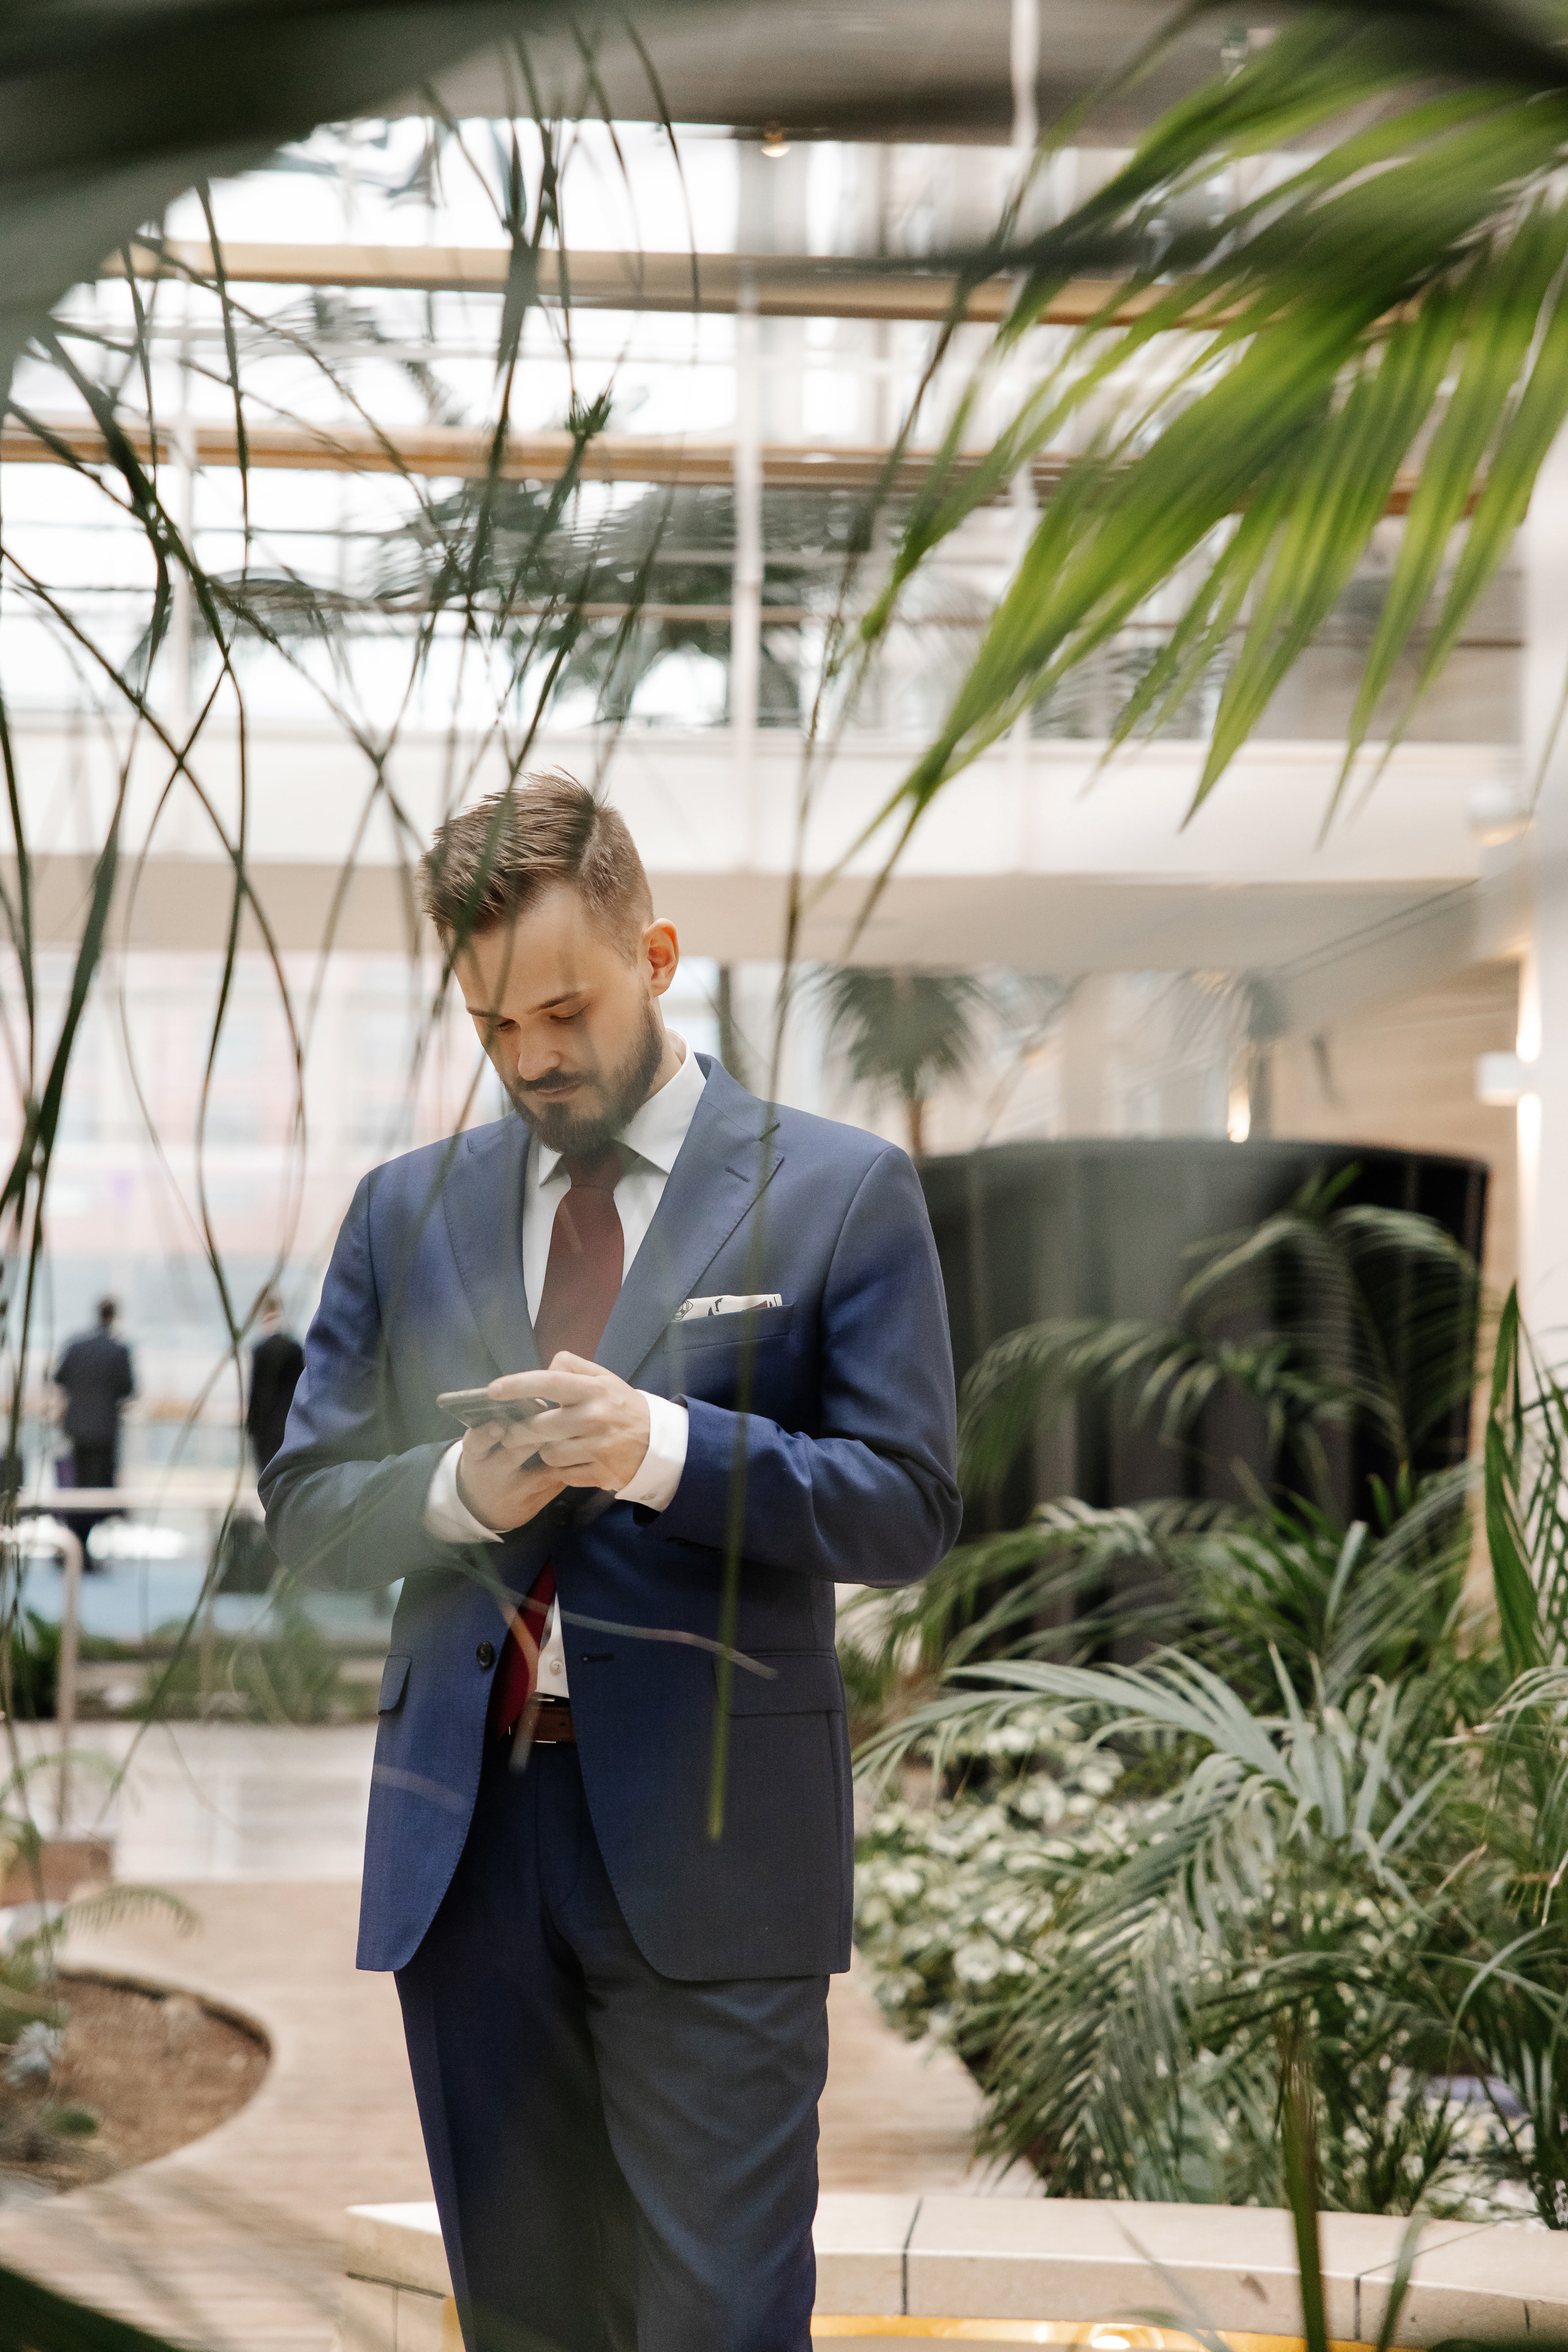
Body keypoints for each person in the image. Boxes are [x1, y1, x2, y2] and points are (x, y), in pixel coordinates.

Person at [260, 772, 962, 2352]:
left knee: (714, 2322)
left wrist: (653, 1444)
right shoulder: (402, 1212)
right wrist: (457, 1487)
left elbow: (904, 1504)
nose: (533, 1060)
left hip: (715, 1857)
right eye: (495, 1026)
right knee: (522, 2320)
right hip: (466, 1858)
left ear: (654, 952)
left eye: (563, 1010)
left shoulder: (838, 1189)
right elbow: (304, 1514)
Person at [53, 1297, 135, 1553]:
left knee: (78, 1487)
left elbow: (59, 1378)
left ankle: (77, 1544)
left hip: (77, 1429)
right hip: (104, 1432)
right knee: (97, 1489)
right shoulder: (119, 1350)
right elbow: (128, 1389)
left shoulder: (76, 1345)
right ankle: (81, 1545)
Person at [245, 1292, 304, 1474]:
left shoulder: (260, 1349)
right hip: (290, 1426)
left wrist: (251, 1429)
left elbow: (254, 1395)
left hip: (266, 1428)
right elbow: (301, 1389)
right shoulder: (295, 1348)